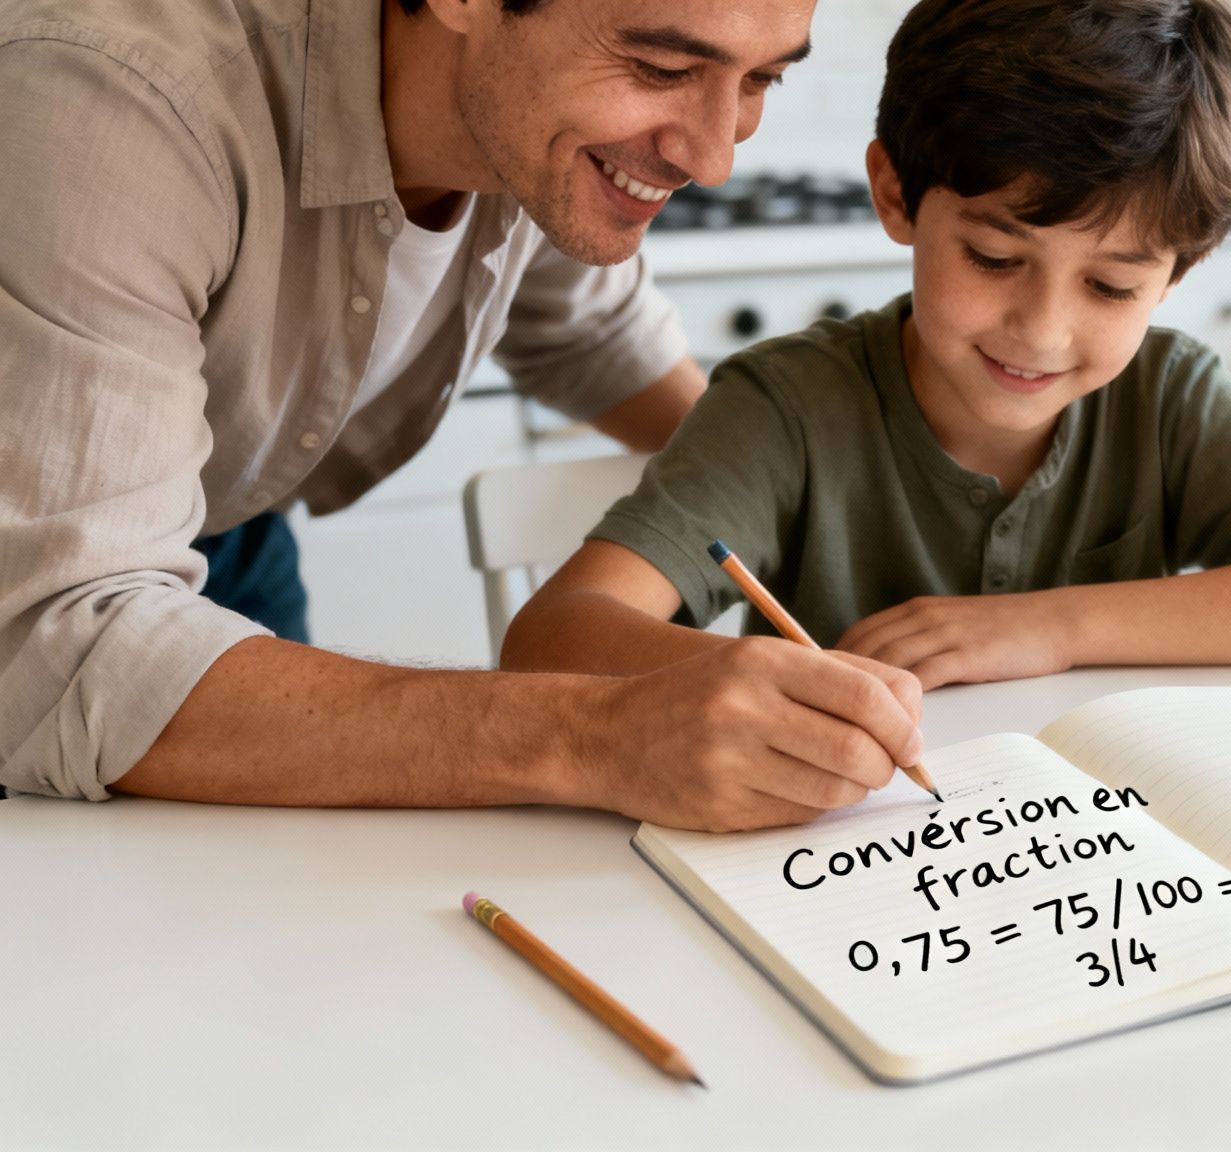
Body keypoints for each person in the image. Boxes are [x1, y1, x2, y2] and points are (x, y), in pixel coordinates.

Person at [0, 0, 927, 833]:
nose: (716, 160)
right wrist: (599, 734)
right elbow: (62, 646)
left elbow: (594, 339)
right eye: (661, 67)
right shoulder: (112, 101)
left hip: (224, 535)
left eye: (761, 79)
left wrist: (807, 501)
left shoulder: (527, 132)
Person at [502, 0, 1231, 702]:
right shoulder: (787, 408)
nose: (1041, 330)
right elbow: (553, 639)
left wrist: (1052, 627)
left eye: (1112, 287)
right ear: (896, 195)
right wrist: (777, 685)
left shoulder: (1170, 396)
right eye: (994, 258)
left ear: (1178, 272)